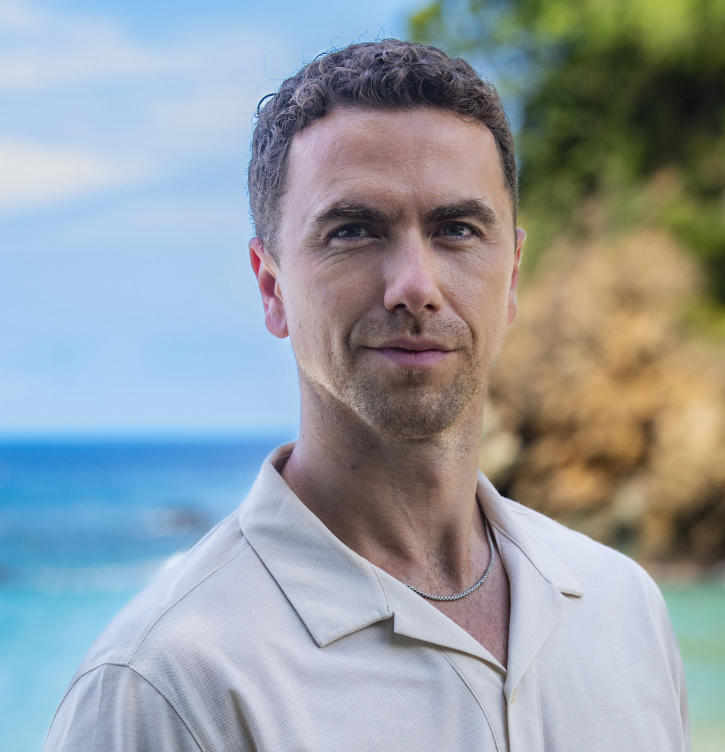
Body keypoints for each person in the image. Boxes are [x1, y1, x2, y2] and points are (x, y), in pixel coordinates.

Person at [44, 39, 689, 751]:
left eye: (457, 229)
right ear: (271, 286)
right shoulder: (167, 682)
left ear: (511, 278)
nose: (415, 283)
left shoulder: (622, 610)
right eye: (353, 231)